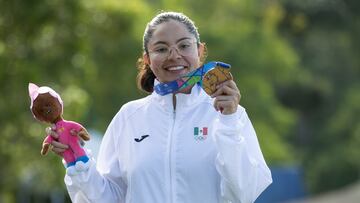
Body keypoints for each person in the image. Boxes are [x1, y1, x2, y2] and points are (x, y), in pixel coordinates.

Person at [50, 11, 272, 203]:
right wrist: (77, 159)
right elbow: (109, 198)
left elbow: (244, 194)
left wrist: (229, 122)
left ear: (200, 51)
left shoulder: (230, 115)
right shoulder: (129, 117)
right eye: (161, 49)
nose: (174, 55)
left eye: (184, 45)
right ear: (147, 59)